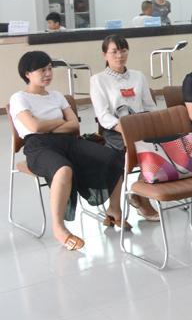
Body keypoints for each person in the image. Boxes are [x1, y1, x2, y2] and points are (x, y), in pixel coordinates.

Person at [10, 51, 129, 250]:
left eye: (50, 69)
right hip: (38, 147)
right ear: (27, 74)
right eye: (42, 70)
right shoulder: (19, 98)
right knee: (64, 169)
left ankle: (114, 210)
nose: (48, 73)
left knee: (113, 157)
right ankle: (59, 228)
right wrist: (59, 122)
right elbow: (34, 127)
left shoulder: (57, 96)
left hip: (68, 142)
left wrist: (48, 125)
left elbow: (74, 125)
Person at [89, 34, 160, 221]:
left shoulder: (138, 76)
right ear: (105, 55)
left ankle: (140, 195)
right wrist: (127, 129)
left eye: (123, 50)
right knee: (120, 155)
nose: (119, 55)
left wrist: (150, 124)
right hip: (115, 130)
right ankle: (114, 207)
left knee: (161, 145)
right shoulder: (98, 80)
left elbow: (150, 106)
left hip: (140, 126)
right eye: (114, 52)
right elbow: (103, 115)